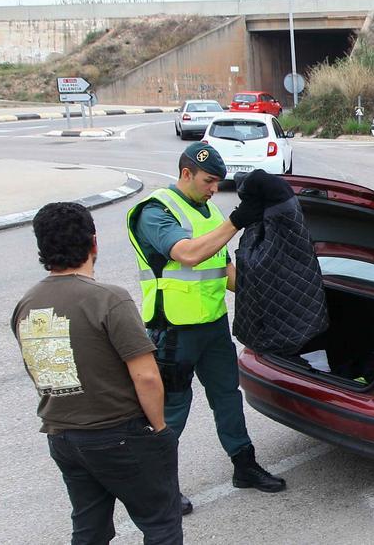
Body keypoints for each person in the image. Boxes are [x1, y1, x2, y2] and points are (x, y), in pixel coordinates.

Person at [126, 142, 286, 516]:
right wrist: (237, 221)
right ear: (186, 173)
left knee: (228, 397)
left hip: (213, 325)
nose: (214, 188)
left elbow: (226, 274)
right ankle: (160, 489)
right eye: (209, 181)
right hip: (174, 330)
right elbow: (187, 254)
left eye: (218, 182)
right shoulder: (155, 211)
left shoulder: (210, 211)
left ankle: (244, 466)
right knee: (172, 411)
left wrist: (277, 292)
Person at [12, 202, 182, 544]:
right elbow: (146, 376)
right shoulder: (109, 299)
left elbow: (39, 367)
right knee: (161, 522)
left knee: (89, 529)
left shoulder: (27, 303)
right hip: (118, 432)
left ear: (42, 248)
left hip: (62, 436)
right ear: (94, 242)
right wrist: (160, 429)